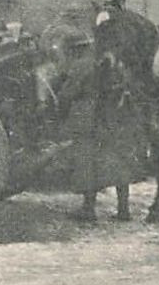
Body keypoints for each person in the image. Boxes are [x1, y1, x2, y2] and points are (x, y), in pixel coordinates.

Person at [57, 28, 148, 223]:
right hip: (116, 116)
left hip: (88, 117)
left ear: (73, 50)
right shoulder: (114, 63)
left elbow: (68, 93)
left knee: (87, 162)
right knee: (118, 162)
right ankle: (123, 210)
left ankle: (88, 209)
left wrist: (58, 106)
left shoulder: (81, 66)